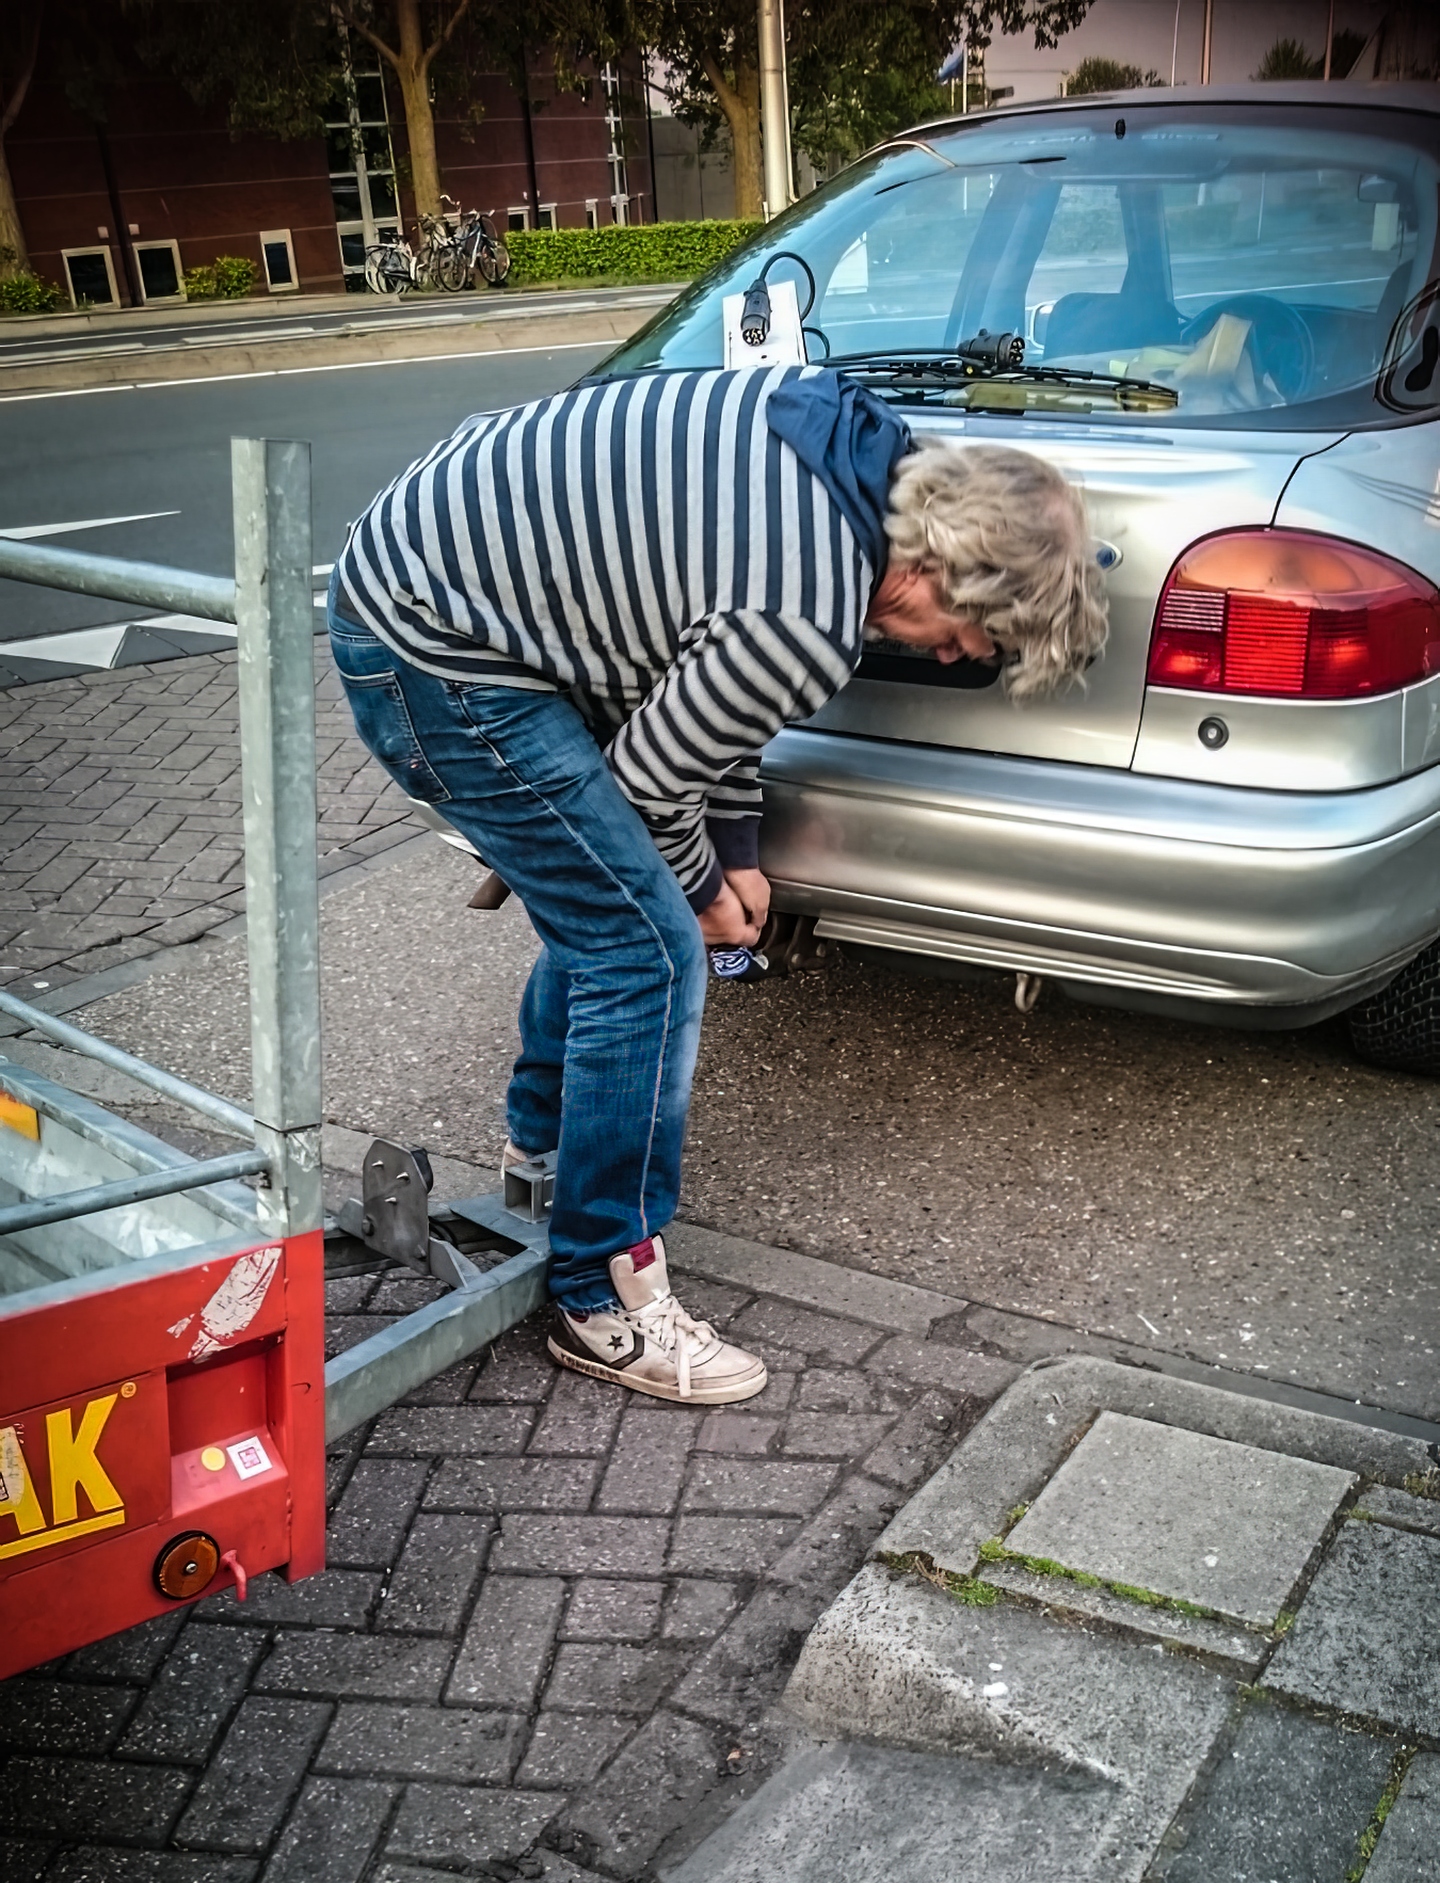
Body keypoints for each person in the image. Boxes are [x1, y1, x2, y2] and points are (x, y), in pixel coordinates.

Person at [328, 364, 1106, 1406]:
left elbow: (710, 689)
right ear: (933, 575)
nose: (956, 657)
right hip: (431, 645)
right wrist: (704, 896)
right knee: (646, 949)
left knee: (601, 905)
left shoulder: (854, 450)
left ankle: (545, 1160)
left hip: (436, 571)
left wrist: (737, 854)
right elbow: (650, 788)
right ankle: (603, 1297)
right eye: (970, 640)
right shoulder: (807, 616)